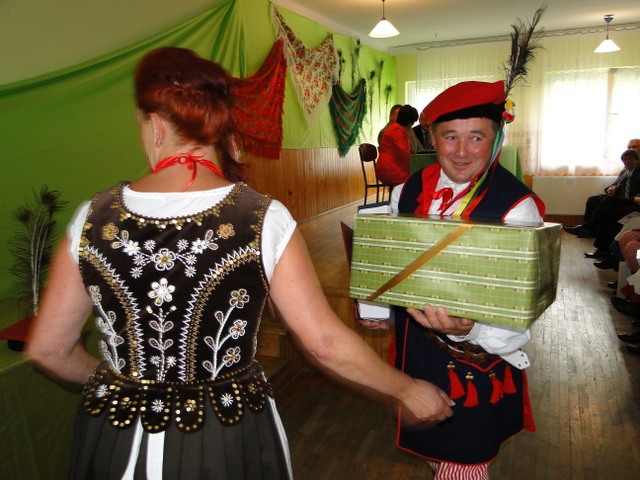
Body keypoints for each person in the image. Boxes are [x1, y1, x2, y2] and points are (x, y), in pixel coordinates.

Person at [26, 47, 454, 480]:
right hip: (222, 430)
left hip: (117, 433)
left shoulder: (92, 216)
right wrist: (408, 390)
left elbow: (49, 349)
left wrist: (122, 385)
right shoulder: (260, 216)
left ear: (155, 126)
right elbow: (323, 342)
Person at [390, 80, 545, 479]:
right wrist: (376, 308)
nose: (461, 151)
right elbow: (390, 257)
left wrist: (471, 329)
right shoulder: (406, 191)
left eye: (476, 137)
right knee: (434, 454)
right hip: (415, 355)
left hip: (473, 367)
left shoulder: (517, 209)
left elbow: (519, 313)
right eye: (450, 137)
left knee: (463, 464)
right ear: (432, 139)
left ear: (496, 140)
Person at [564, 138, 640, 239]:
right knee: (593, 199)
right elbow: (618, 183)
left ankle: (591, 230)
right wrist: (611, 188)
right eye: (629, 147)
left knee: (608, 202)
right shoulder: (626, 169)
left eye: (634, 147)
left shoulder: (636, 167)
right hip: (621, 196)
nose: (631, 149)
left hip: (632, 199)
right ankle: (586, 228)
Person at [580, 149, 640, 268]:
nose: (627, 162)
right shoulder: (625, 171)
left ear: (636, 160)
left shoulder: (638, 171)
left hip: (634, 202)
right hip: (625, 199)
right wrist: (613, 189)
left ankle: (591, 231)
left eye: (630, 159)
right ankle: (600, 246)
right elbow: (618, 185)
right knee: (597, 202)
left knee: (610, 210)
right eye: (624, 160)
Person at [375, 104, 419, 186]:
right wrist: (418, 164)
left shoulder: (395, 128)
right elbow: (404, 153)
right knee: (418, 178)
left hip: (391, 168)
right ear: (410, 123)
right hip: (390, 169)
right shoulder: (396, 131)